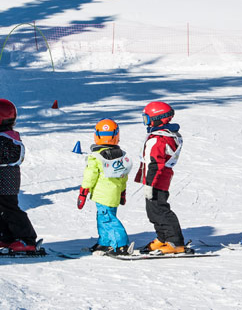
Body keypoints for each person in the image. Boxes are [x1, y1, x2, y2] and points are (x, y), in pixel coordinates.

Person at [0, 99, 39, 253]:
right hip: (8, 178)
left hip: (3, 180)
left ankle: (27, 240)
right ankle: (5, 236)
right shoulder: (8, 136)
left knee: (9, 210)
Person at [134, 101, 186, 254]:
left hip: (157, 179)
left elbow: (155, 164)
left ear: (158, 119)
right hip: (158, 177)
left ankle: (175, 241)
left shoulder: (159, 139)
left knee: (160, 210)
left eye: (147, 119)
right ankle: (163, 238)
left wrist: (150, 184)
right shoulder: (162, 136)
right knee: (153, 210)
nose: (146, 123)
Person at [77, 119, 133, 256]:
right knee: (104, 217)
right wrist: (122, 192)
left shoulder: (95, 156)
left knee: (108, 219)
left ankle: (121, 245)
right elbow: (123, 175)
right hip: (113, 193)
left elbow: (90, 175)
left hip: (102, 195)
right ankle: (105, 242)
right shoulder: (121, 156)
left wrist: (83, 192)